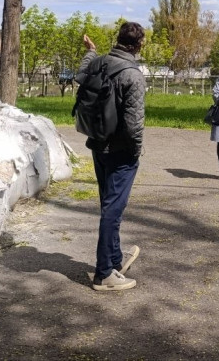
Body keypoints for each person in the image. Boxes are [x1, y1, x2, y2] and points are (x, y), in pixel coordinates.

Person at [77, 23, 146, 291]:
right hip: (120, 151)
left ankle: (115, 259)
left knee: (109, 205)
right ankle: (104, 273)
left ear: (118, 40)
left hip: (97, 143)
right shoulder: (132, 75)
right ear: (139, 45)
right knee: (112, 211)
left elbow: (81, 76)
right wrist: (136, 149)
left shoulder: (100, 63)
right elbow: (133, 124)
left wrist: (90, 52)